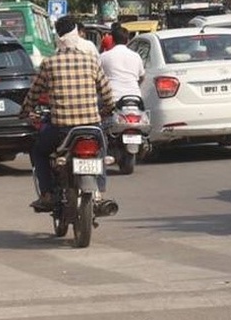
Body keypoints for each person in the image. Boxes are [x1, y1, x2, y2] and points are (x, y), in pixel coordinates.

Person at [25, 16, 118, 216]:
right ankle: (99, 193)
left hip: (61, 129)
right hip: (92, 127)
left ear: (57, 37)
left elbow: (33, 94)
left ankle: (47, 194)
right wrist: (107, 109)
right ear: (77, 35)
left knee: (39, 152)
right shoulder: (91, 60)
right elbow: (107, 94)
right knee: (101, 151)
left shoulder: (49, 63)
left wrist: (25, 111)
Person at [99, 24, 145, 104]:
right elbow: (142, 76)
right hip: (135, 98)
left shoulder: (104, 56)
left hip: (113, 99)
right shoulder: (136, 56)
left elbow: (98, 77)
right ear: (127, 40)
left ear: (113, 40)